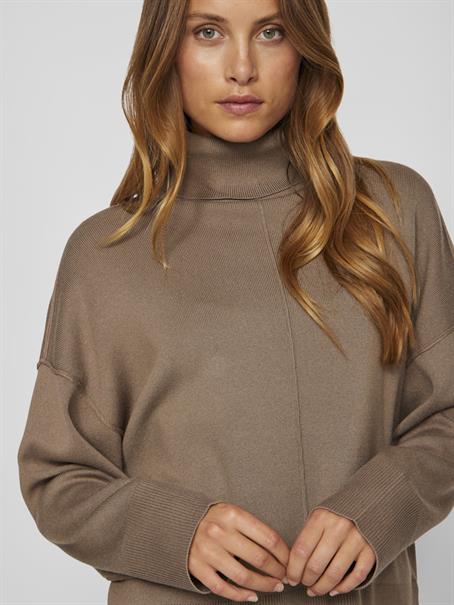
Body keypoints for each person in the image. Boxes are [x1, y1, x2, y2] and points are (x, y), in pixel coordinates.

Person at [17, 0, 454, 604]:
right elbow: (56, 476)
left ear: (305, 47)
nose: (242, 68)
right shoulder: (106, 252)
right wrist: (178, 533)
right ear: (166, 50)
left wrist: (383, 504)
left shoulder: (391, 211)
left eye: (271, 32)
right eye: (208, 32)